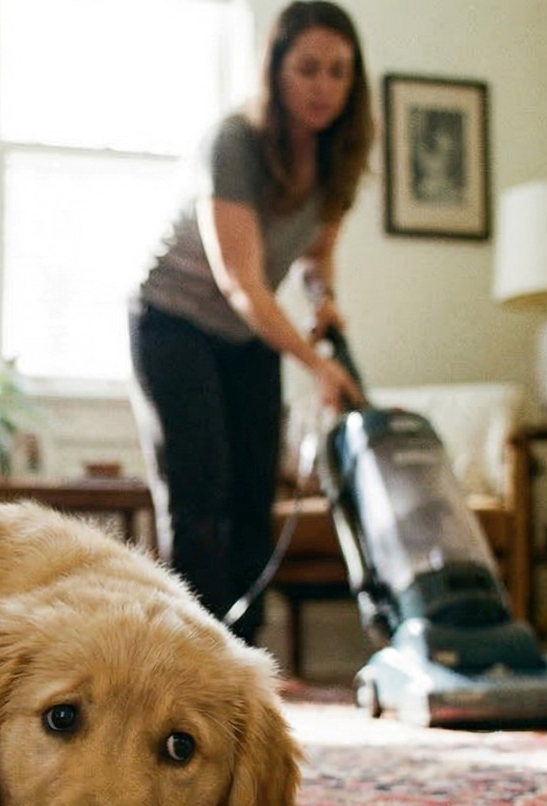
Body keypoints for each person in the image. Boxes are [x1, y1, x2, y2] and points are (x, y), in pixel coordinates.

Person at [130, 0, 371, 646]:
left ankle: (245, 658)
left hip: (246, 336)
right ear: (277, 72)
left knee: (252, 498)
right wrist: (317, 365)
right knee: (199, 494)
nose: (324, 87)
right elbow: (242, 282)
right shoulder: (235, 143)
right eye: (309, 69)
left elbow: (315, 254)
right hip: (174, 323)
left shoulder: (338, 155)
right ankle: (191, 657)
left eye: (339, 72)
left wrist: (323, 299)